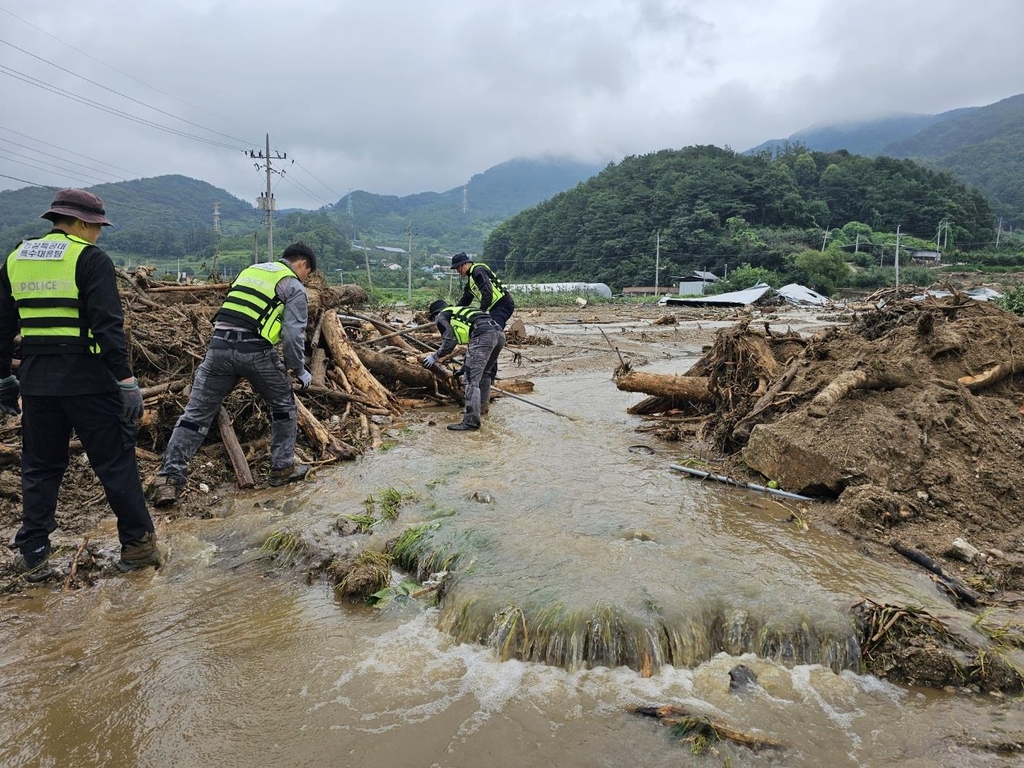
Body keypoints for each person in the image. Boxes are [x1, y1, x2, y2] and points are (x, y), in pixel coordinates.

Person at [0, 188, 160, 580]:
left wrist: (5, 375)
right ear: (85, 223)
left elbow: (3, 326)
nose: (98, 234)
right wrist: (125, 379)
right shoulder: (89, 258)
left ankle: (35, 551)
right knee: (115, 462)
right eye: (98, 227)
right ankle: (138, 547)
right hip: (88, 380)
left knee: (39, 466)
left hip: (36, 383)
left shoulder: (16, 258)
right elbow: (107, 327)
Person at [149, 242, 317, 506]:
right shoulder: (292, 284)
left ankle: (168, 479)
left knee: (195, 414)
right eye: (308, 273)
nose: (306, 278)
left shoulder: (251, 271)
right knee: (284, 406)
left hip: (218, 348)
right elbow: (293, 333)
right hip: (256, 352)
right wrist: (299, 370)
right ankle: (282, 468)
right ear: (302, 264)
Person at [423, 299, 505, 431]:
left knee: (471, 380)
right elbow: (473, 346)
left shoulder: (441, 316)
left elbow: (450, 341)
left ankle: (471, 421)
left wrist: (435, 356)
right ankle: (481, 409)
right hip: (499, 334)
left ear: (434, 315)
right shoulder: (460, 312)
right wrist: (465, 366)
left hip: (483, 335)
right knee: (484, 373)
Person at [451, 252, 515, 329]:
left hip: (503, 304)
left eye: (458, 268)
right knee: (491, 328)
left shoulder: (478, 271)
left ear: (465, 263)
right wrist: (453, 312)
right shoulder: (471, 281)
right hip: (495, 307)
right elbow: (466, 300)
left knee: (494, 330)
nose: (457, 271)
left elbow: (487, 292)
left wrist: (481, 312)